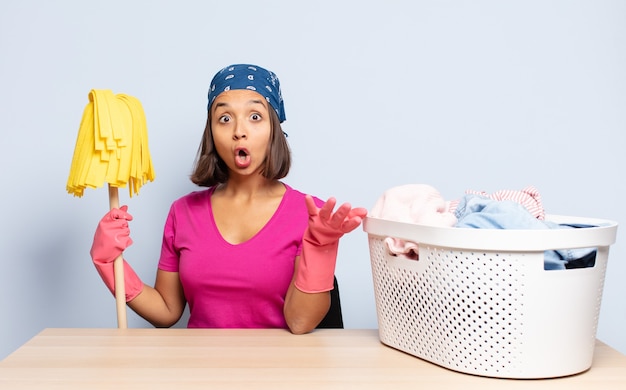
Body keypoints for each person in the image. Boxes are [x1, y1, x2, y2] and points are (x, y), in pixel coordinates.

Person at [89, 64, 368, 334]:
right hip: (201, 375)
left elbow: (299, 323)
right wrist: (109, 265)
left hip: (278, 376)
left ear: (274, 129)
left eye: (255, 116)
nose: (239, 130)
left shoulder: (310, 214)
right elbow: (166, 311)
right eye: (224, 118)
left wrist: (319, 248)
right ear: (211, 132)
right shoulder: (183, 212)